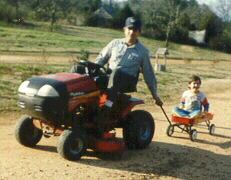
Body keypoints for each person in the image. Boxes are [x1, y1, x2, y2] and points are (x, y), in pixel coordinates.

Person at [94, 17, 163, 132]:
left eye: (135, 29)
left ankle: (105, 109)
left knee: (116, 73)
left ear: (139, 32)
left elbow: (149, 74)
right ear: (124, 29)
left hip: (127, 80)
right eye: (129, 28)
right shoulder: (114, 43)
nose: (132, 32)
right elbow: (101, 59)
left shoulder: (142, 51)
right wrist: (92, 69)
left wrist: (155, 95)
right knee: (80, 68)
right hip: (109, 77)